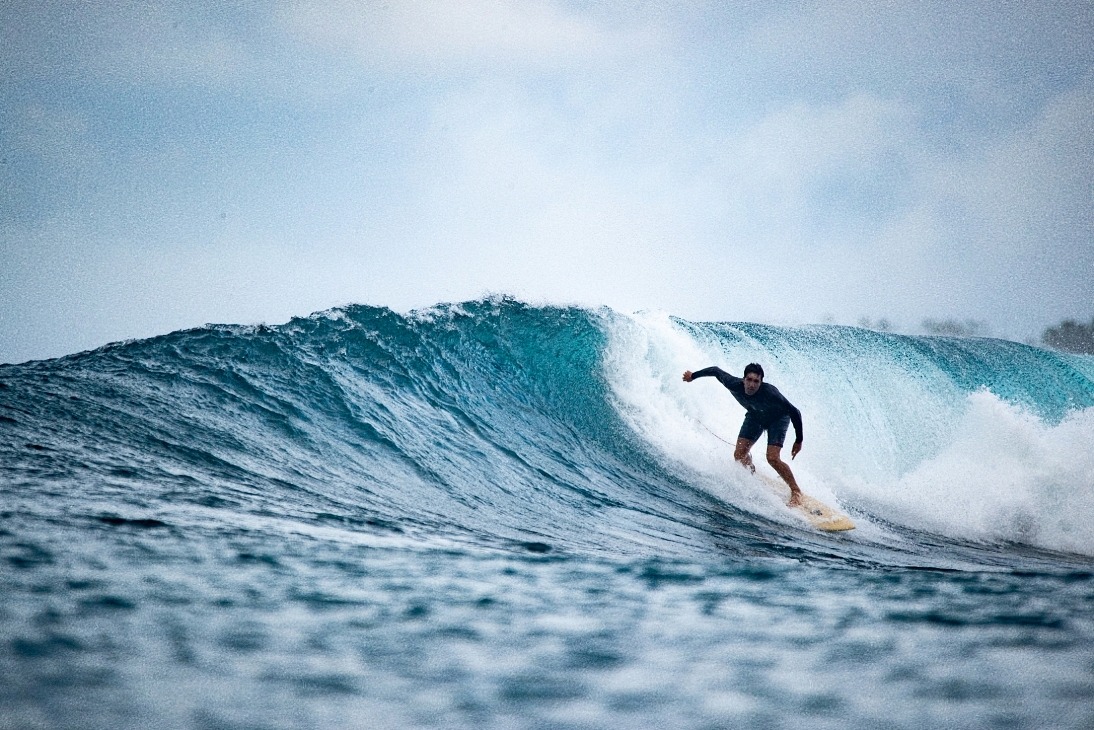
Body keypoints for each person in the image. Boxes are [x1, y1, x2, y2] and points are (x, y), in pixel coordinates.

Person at [682, 363, 805, 506]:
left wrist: (798, 440)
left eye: (756, 381)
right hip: (755, 416)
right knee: (739, 454)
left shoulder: (771, 393)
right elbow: (716, 370)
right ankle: (751, 471)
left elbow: (795, 412)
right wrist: (693, 376)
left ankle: (796, 491)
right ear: (743, 379)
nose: (751, 385)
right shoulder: (733, 384)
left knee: (772, 458)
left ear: (761, 382)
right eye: (749, 380)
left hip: (777, 420)